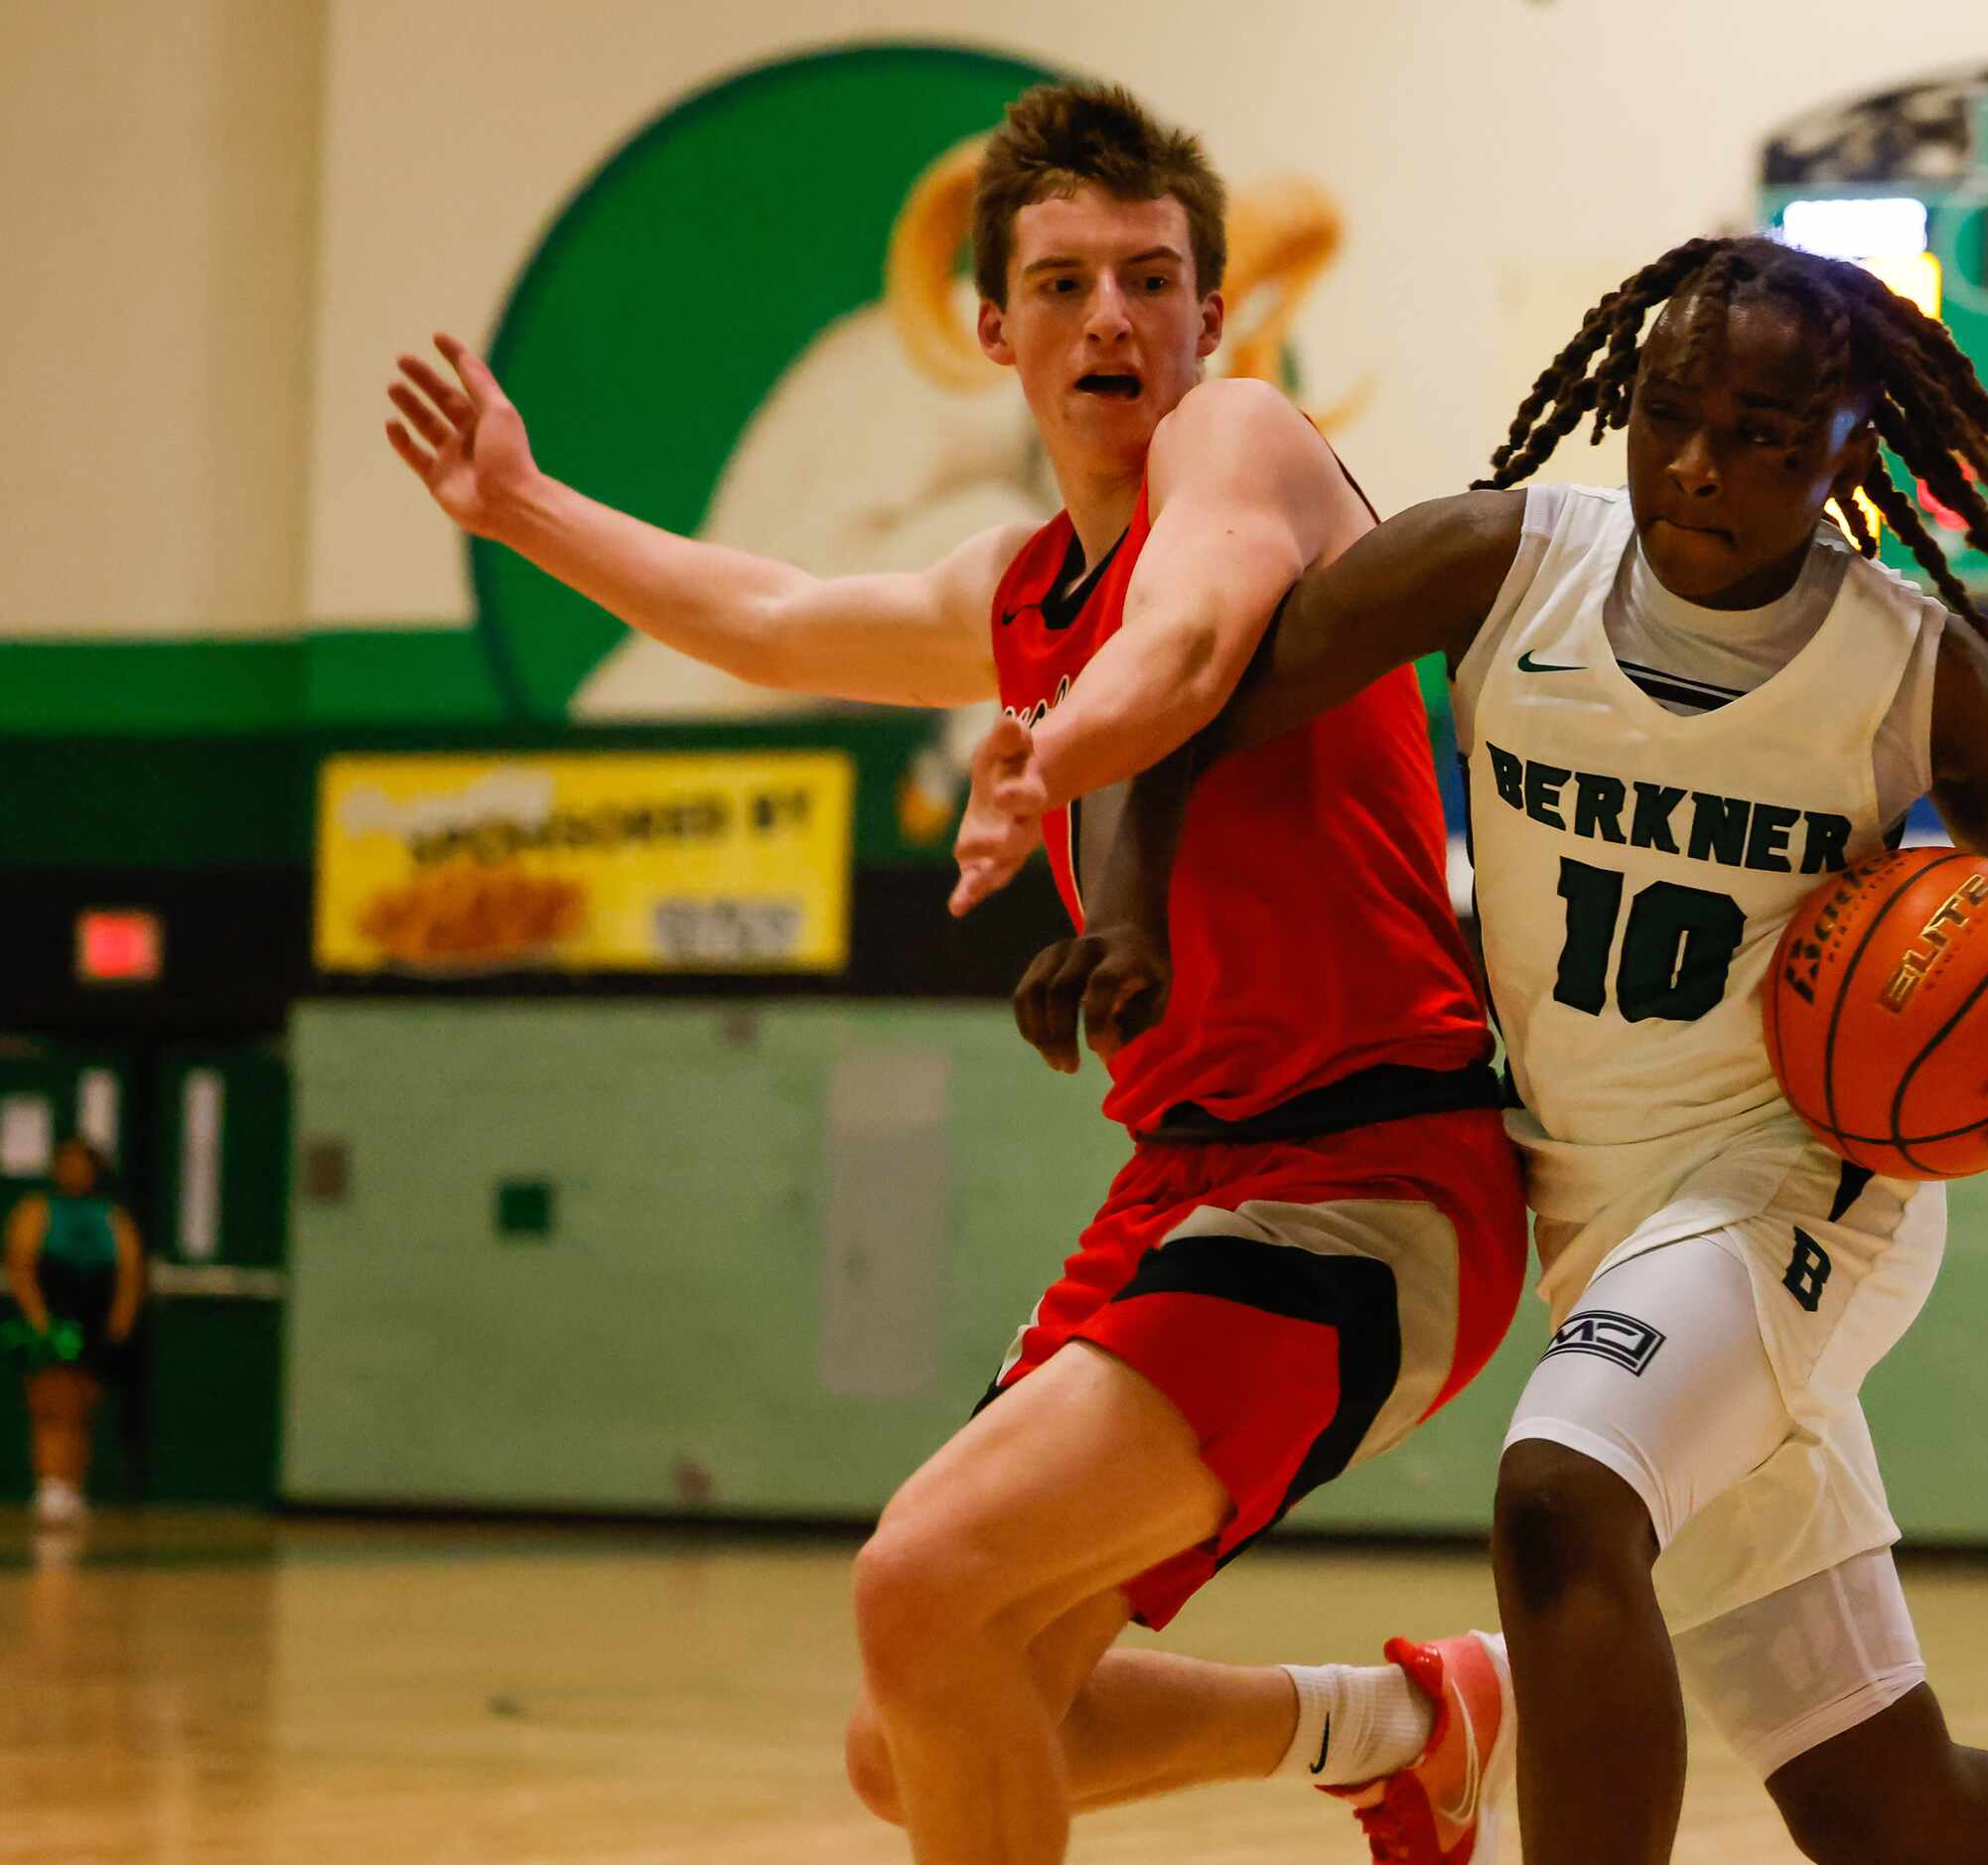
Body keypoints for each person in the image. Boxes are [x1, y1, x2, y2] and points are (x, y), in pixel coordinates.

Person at [383, 81, 1528, 1865]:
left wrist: (1047, 754)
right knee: (919, 1722)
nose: (1111, 319)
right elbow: (761, 615)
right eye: (1062, 283)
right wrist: (520, 504)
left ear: (1213, 315)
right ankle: (1401, 1722)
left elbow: (1199, 627)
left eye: (1151, 278)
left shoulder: (1242, 442)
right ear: (992, 328)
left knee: (920, 1586)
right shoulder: (1013, 588)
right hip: (1187, 1186)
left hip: (1371, 1170)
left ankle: (1405, 1724)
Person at [961, 233, 1988, 1864]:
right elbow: (1207, 712)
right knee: (1888, 1805)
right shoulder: (1500, 562)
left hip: (1795, 1191)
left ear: (1849, 450)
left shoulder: (1909, 666)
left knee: (1558, 1500)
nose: (1697, 463)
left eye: (1762, 433)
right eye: (1668, 410)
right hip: (1599, 1224)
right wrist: (1130, 912)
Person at [6, 1139, 144, 1529]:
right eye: (66, 1163)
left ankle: (72, 1485)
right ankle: (49, 1484)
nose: (74, 1172)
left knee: (82, 1403)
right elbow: (20, 1263)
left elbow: (130, 1271)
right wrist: (38, 1318)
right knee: (51, 1400)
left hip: (93, 1319)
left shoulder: (111, 1215)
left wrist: (121, 1318)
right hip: (50, 1317)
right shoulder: (36, 1209)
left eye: (82, 1164)